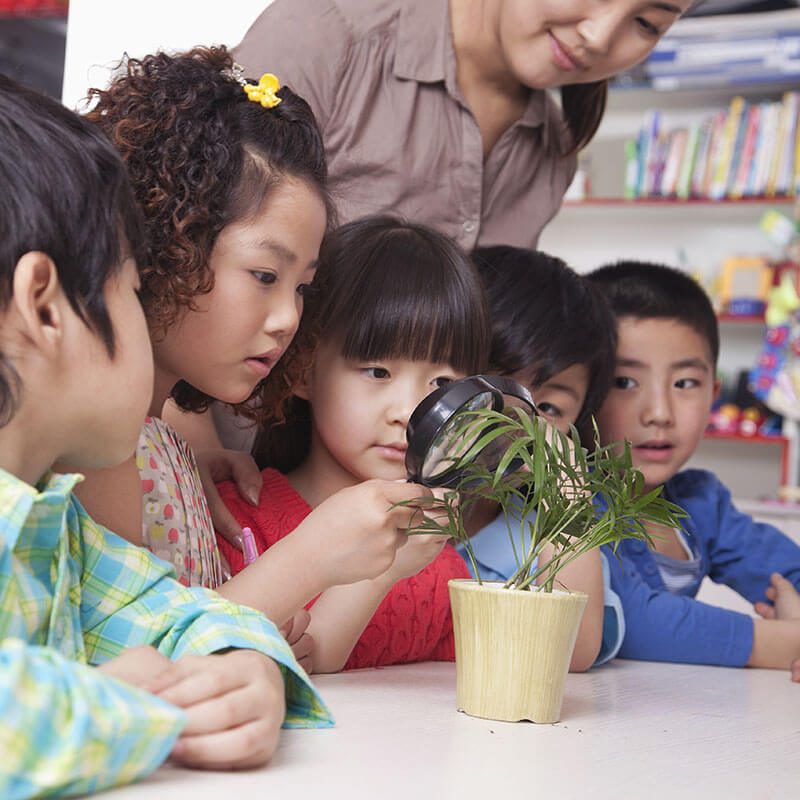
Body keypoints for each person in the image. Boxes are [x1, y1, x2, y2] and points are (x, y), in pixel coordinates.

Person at [0, 74, 331, 798]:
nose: (287, 317)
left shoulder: (58, 529)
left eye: (300, 286)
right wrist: (134, 704)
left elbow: (171, 613)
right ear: (44, 308)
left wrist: (244, 666)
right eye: (128, 284)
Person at [74, 47, 429, 639]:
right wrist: (307, 558)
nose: (288, 318)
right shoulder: (100, 445)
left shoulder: (165, 445)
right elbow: (133, 654)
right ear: (169, 243)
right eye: (265, 277)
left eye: (304, 289)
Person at [216, 216, 490, 673]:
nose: (409, 411)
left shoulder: (443, 570)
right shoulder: (235, 523)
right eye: (378, 372)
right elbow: (295, 665)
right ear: (304, 368)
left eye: (442, 382)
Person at [234, 0, 695, 251]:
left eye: (646, 22)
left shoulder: (555, 147)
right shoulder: (328, 36)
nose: (598, 36)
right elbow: (182, 256)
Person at [587, 259, 800, 674]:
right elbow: (634, 621)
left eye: (685, 383)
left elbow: (788, 571)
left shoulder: (702, 503)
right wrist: (784, 643)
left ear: (714, 394)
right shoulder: (575, 504)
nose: (660, 413)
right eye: (624, 382)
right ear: (583, 388)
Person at [458, 246, 621, 669]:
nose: (519, 423)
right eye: (494, 387)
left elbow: (576, 651)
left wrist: (568, 499)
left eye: (548, 410)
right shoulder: (380, 490)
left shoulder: (544, 538)